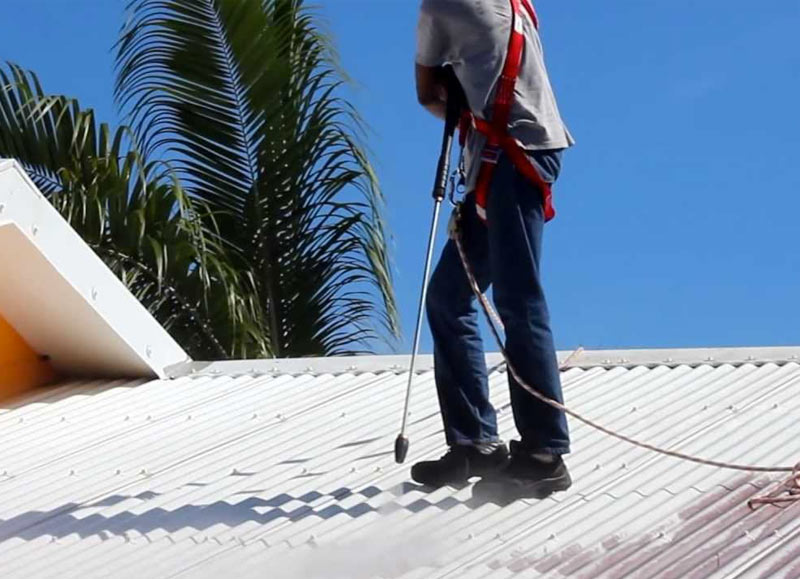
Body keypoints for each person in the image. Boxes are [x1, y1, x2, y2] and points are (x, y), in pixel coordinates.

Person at [412, 0, 575, 503]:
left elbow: (427, 95)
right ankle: (476, 444)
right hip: (507, 155)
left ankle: (544, 453)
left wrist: (452, 92)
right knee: (448, 296)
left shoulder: (441, 6)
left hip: (511, 155)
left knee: (518, 300)